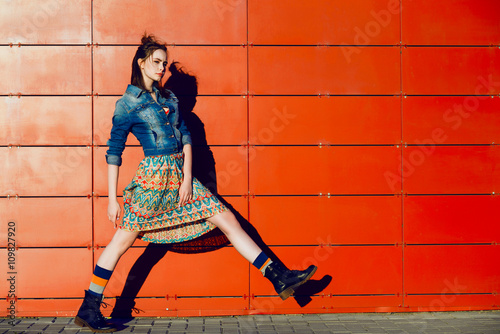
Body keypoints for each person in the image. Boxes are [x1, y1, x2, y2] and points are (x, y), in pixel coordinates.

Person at [74, 34, 317, 333]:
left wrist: (188, 178)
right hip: (152, 180)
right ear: (141, 62)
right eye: (156, 62)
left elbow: (186, 137)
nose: (161, 68)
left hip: (181, 177)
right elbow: (114, 151)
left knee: (228, 219)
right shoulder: (127, 104)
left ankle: (279, 276)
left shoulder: (169, 99)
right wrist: (112, 199)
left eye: (164, 63)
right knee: (122, 242)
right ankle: (89, 307)